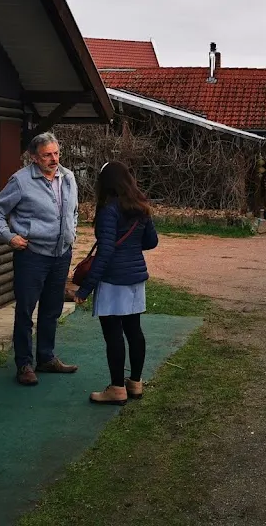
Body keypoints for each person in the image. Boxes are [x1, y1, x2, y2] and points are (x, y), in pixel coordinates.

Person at [0, 131, 79, 386]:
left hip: (61, 255)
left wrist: (72, 233)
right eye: (47, 155)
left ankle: (46, 358)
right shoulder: (21, 181)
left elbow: (73, 211)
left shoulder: (69, 177)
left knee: (52, 309)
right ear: (34, 157)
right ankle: (24, 364)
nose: (54, 159)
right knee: (26, 311)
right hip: (32, 256)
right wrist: (9, 237)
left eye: (56, 153)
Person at [74, 161, 158, 405]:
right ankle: (136, 383)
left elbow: (106, 252)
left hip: (113, 280)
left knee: (113, 334)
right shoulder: (141, 208)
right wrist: (131, 247)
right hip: (135, 279)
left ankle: (117, 389)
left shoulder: (108, 210)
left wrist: (85, 288)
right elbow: (151, 242)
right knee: (134, 330)